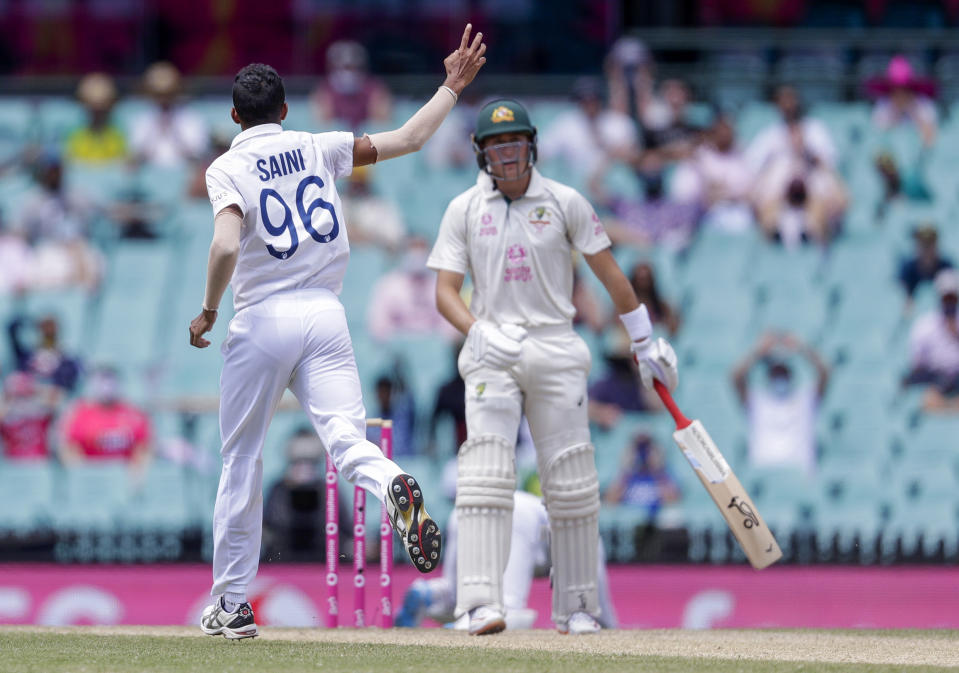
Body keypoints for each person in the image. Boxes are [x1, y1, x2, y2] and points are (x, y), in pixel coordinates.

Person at [188, 26, 486, 640]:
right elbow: (408, 137)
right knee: (348, 444)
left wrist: (209, 310)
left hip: (262, 317)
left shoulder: (227, 165)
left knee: (241, 460)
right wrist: (450, 87)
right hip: (325, 313)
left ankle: (233, 604)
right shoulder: (317, 144)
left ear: (237, 115)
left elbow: (223, 243)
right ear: (286, 110)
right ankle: (391, 482)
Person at [428, 98, 678, 635]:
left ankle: (578, 606)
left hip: (556, 346)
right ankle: (478, 603)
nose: (507, 153)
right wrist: (478, 331)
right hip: (493, 347)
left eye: (514, 142)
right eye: (496, 145)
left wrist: (643, 341)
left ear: (532, 144)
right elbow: (445, 293)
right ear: (481, 153)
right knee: (484, 476)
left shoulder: (565, 202)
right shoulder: (463, 210)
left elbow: (612, 275)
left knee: (570, 482)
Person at [396, 490, 618, 631]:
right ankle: (464, 627)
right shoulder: (587, 535)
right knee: (508, 610)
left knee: (457, 594)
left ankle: (428, 592)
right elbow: (599, 605)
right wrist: (609, 625)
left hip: (465, 511)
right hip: (518, 518)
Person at [732, 331, 829, 477]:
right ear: (769, 377)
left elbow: (824, 373)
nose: (780, 379)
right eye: (776, 375)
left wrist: (802, 348)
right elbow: (736, 377)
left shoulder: (804, 400)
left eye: (783, 374)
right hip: (762, 476)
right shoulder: (758, 402)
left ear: (791, 376)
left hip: (799, 474)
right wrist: (758, 352)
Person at [58, 366, 152, 469]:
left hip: (124, 473)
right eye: (102, 380)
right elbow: (70, 448)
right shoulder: (80, 413)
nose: (107, 386)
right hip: (91, 473)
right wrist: (82, 475)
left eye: (110, 380)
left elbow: (143, 447)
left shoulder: (133, 413)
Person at [130, 62, 209, 168]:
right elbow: (135, 156)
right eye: (159, 94)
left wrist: (173, 130)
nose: (164, 99)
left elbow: (197, 157)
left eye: (168, 94)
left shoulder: (192, 118)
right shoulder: (143, 119)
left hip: (184, 177)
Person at [904, 269, 959, 411]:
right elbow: (918, 365)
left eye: (952, 298)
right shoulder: (924, 326)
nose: (949, 303)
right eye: (946, 298)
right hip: (935, 377)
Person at [311, 40, 392, 131]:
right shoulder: (324, 90)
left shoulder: (375, 89)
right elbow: (323, 124)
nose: (349, 73)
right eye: (345, 67)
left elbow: (381, 123)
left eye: (353, 67)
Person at [65, 73, 127, 164]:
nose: (97, 112)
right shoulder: (74, 134)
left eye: (102, 108)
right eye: (92, 108)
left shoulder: (119, 133)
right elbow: (69, 160)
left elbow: (125, 161)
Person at [0, 371, 56, 461]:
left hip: (40, 464)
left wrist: (35, 389)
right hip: (11, 465)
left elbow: (55, 398)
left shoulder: (41, 414)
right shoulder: (6, 418)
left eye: (25, 397)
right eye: (17, 397)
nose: (21, 402)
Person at [898, 224, 953, 309]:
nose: (926, 249)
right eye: (923, 244)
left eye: (930, 243)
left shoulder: (946, 268)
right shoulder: (908, 270)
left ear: (936, 245)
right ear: (917, 246)